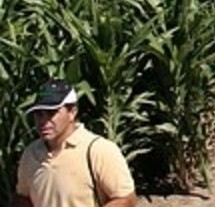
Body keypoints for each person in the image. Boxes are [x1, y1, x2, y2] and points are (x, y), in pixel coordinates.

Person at [14, 79, 138, 207]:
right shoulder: (30, 154)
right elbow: (23, 197)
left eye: (52, 113)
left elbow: (126, 200)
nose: (43, 121)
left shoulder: (98, 150)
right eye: (39, 114)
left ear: (72, 112)